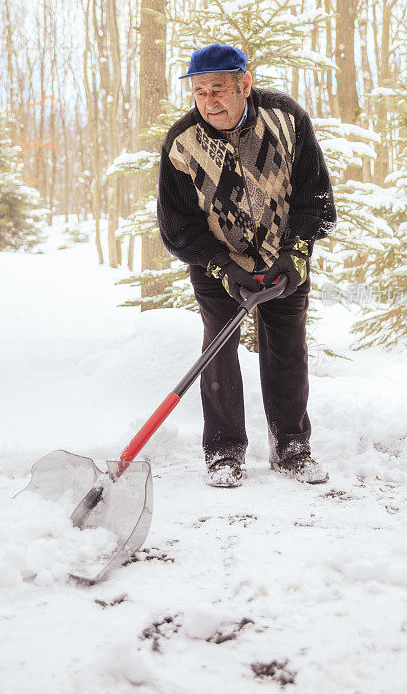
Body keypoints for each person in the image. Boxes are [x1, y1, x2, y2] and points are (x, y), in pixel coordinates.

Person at [157, 43, 337, 487]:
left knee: (287, 351)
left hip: (284, 258)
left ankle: (292, 447)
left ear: (245, 84)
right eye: (200, 92)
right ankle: (223, 452)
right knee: (218, 353)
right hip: (220, 265)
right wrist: (221, 266)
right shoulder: (182, 142)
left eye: (218, 89)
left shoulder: (286, 119)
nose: (209, 101)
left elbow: (315, 197)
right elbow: (177, 225)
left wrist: (295, 253)